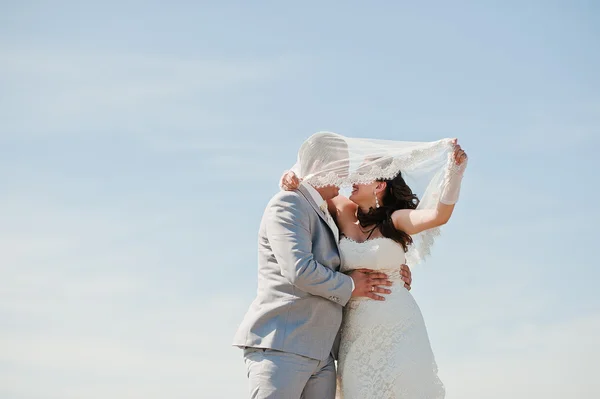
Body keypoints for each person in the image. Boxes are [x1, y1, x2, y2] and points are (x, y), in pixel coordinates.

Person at [280, 136, 468, 399]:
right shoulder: (343, 210)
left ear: (380, 185)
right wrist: (291, 175)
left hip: (398, 326)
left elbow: (438, 215)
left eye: (363, 173)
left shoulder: (395, 220)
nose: (354, 177)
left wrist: (455, 173)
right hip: (355, 334)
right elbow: (310, 186)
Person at [232, 132, 412, 399]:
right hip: (283, 347)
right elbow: (299, 270)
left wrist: (392, 271)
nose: (346, 177)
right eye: (342, 168)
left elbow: (356, 253)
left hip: (323, 354)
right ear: (323, 168)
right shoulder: (288, 203)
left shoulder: (328, 213)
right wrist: (352, 284)